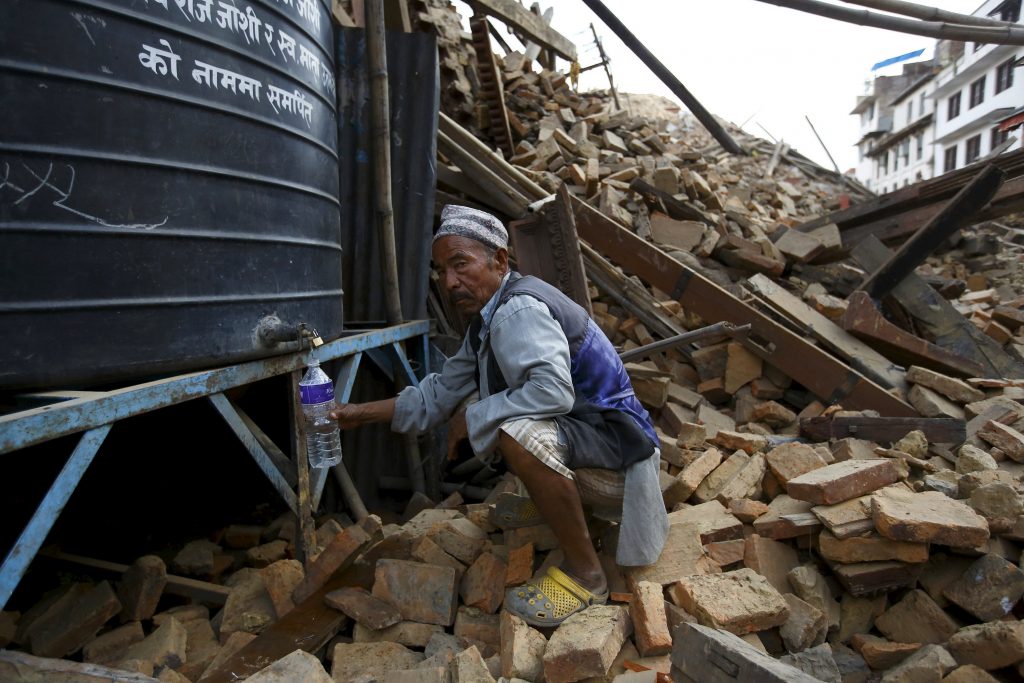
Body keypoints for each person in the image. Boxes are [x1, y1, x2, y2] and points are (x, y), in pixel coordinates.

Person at [330, 205, 667, 627]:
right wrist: (357, 413)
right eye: (442, 271)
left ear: (500, 260)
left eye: (460, 264)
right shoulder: (487, 320)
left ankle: (588, 574)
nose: (450, 282)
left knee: (516, 432)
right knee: (503, 419)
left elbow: (552, 391)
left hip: (623, 456)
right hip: (599, 440)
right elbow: (437, 393)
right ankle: (553, 505)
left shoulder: (517, 311)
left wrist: (470, 417)